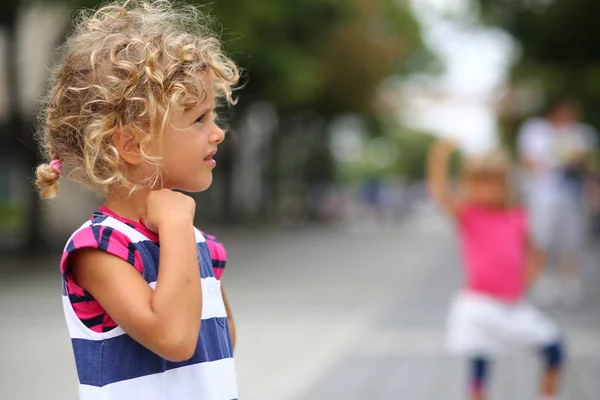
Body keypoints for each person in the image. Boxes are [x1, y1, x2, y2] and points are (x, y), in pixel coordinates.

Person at [34, 1, 239, 399]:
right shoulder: (99, 248)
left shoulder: (202, 246)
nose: (218, 133)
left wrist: (183, 232)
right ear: (131, 143)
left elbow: (219, 351)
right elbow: (176, 339)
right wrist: (177, 225)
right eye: (199, 119)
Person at [427, 138, 565, 400]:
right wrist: (439, 155)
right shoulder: (469, 214)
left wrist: (528, 278)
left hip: (511, 305)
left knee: (554, 347)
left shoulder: (517, 215)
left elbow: (534, 251)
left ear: (506, 184)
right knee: (479, 366)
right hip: (478, 304)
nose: (486, 189)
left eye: (493, 181)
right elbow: (440, 192)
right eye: (479, 181)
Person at [517, 98, 597, 306]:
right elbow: (529, 162)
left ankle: (569, 281)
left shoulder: (581, 134)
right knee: (542, 239)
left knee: (571, 240)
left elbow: (585, 164)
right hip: (543, 197)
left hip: (572, 197)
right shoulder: (535, 131)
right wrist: (558, 159)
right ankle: (542, 279)